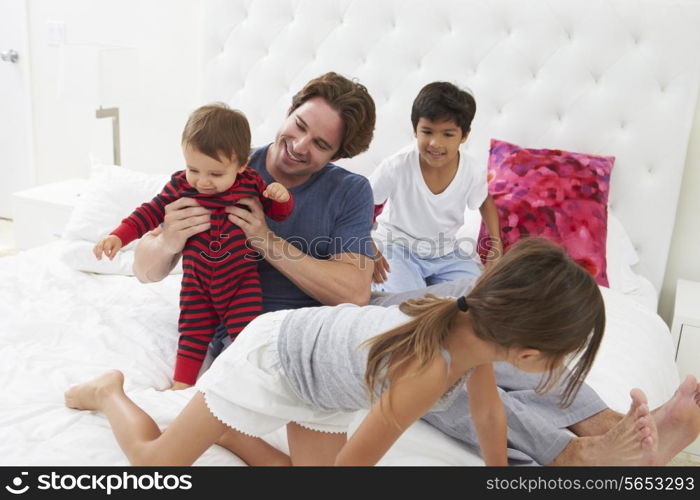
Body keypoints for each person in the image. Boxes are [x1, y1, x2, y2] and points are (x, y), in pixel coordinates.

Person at [66, 238, 643, 466]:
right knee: (155, 464)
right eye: (561, 356)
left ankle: (221, 424)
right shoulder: (425, 371)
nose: (558, 367)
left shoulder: (472, 330)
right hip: (276, 358)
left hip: (325, 380)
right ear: (529, 351)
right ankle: (110, 391)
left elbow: (489, 413)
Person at [373, 275, 700, 465]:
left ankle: (605, 421)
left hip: (381, 293)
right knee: (425, 356)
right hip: (338, 308)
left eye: (327, 149)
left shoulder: (344, 188)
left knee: (487, 315)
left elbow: (355, 287)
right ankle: (574, 454)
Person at [93, 103, 294, 389]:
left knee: (248, 334)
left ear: (241, 165)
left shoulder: (251, 184)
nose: (203, 182)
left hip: (241, 280)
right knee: (192, 331)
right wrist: (118, 235)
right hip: (197, 282)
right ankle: (182, 384)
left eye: (215, 174)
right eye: (194, 169)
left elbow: (278, 214)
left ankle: (252, 385)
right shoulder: (180, 186)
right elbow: (148, 212)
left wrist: (281, 198)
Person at [369, 82, 503, 293]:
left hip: (445, 253)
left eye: (447, 134)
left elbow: (484, 201)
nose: (435, 143)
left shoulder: (471, 170)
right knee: (405, 303)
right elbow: (361, 204)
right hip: (396, 248)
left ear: (464, 135)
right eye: (427, 132)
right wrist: (370, 246)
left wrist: (496, 245)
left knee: (481, 294)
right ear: (415, 130)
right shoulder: (396, 166)